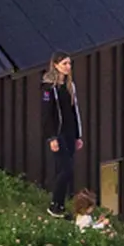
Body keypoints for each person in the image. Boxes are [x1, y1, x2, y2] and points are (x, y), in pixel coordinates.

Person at [42, 52, 84, 218]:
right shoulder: (49, 87)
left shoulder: (69, 86)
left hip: (70, 132)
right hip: (58, 133)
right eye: (65, 63)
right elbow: (46, 114)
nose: (68, 67)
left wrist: (78, 135)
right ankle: (54, 205)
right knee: (66, 169)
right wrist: (51, 137)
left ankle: (59, 205)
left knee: (65, 170)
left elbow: (75, 111)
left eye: (69, 64)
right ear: (56, 65)